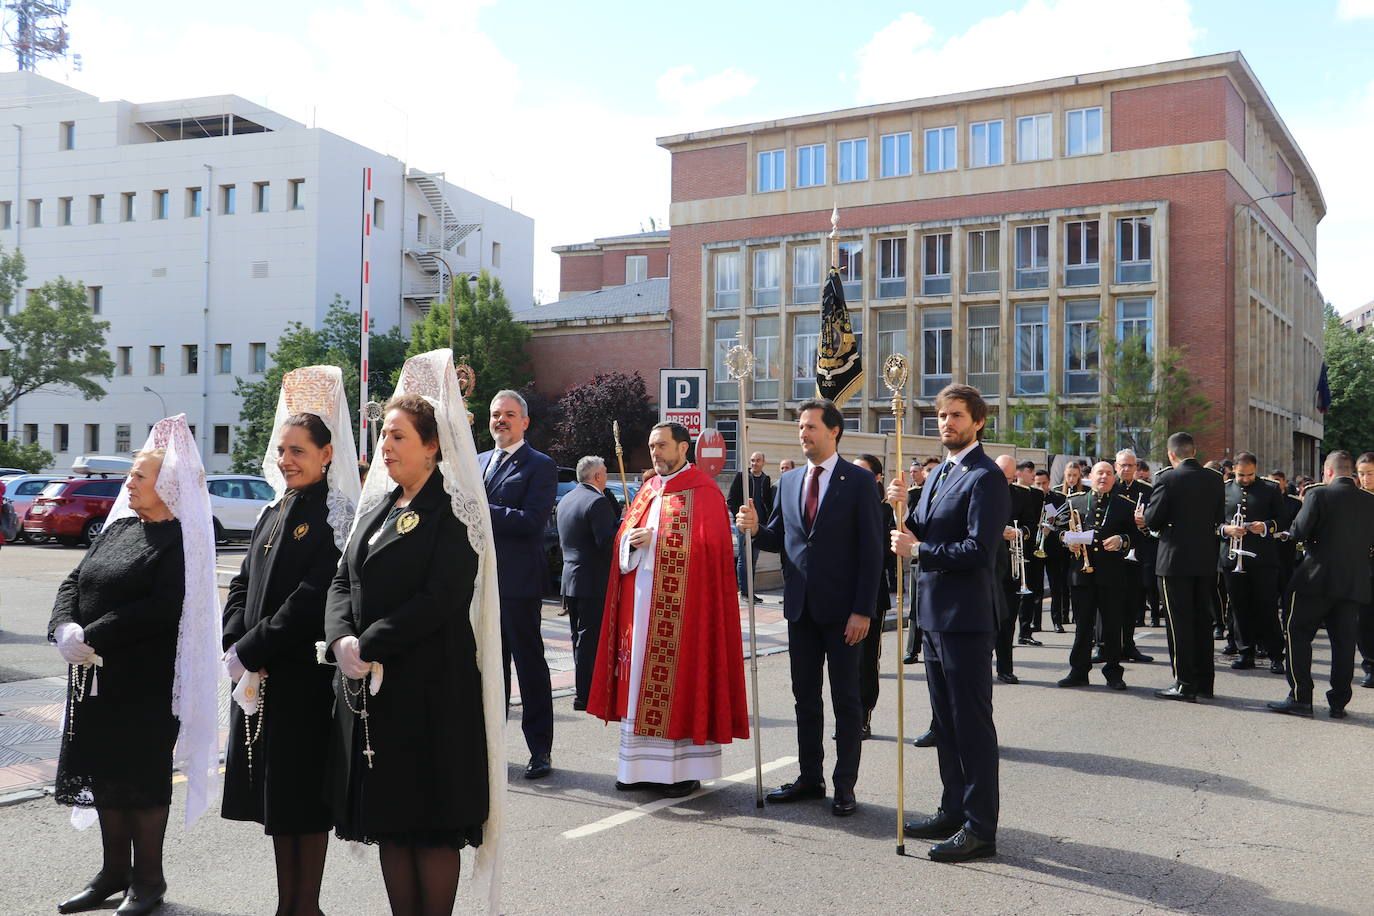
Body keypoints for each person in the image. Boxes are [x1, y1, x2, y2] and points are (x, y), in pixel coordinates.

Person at [324, 350, 505, 915]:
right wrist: (340, 640)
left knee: (430, 827)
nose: (386, 446)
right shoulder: (376, 509)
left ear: (432, 446)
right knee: (391, 822)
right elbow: (341, 580)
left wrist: (369, 642)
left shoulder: (452, 514)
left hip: (432, 694)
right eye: (383, 437)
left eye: (398, 436)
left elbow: (440, 600)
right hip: (376, 697)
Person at [48, 414, 220, 916]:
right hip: (95, 679)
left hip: (146, 684)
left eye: (139, 476)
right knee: (103, 776)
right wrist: (65, 627)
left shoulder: (179, 540)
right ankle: (112, 872)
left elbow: (160, 609)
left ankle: (148, 880)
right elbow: (73, 582)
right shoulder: (119, 527)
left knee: (141, 783)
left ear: (167, 484)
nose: (130, 482)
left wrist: (92, 634)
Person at [220, 367, 360, 916]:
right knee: (276, 800)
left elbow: (312, 597)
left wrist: (252, 649)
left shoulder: (334, 514)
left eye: (299, 451)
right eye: (282, 450)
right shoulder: (272, 508)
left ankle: (307, 905)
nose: (287, 460)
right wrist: (234, 642)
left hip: (304, 678)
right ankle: (288, 905)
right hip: (259, 676)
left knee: (304, 799)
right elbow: (242, 582)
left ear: (326, 454)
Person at [737, 399, 881, 818]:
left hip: (844, 614)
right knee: (805, 699)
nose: (803, 434)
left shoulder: (857, 482)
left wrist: (863, 611)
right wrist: (755, 529)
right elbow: (780, 538)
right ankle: (810, 777)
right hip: (800, 609)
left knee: (846, 701)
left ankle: (844, 785)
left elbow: (871, 553)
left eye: (811, 427)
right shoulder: (789, 481)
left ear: (834, 431)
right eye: (800, 427)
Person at [588, 422, 748, 797]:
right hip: (640, 608)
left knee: (681, 684)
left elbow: (712, 553)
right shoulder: (647, 489)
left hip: (683, 615)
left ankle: (681, 772)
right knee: (638, 683)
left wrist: (658, 540)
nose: (655, 453)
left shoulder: (704, 492)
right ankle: (638, 768)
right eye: (651, 446)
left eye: (662, 446)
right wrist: (630, 540)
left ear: (683, 448)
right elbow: (622, 540)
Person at [888, 384, 1008, 863]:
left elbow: (979, 551)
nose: (946, 423)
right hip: (933, 618)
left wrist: (917, 550)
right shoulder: (939, 474)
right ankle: (952, 808)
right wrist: (897, 503)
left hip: (967, 619)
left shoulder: (985, 477)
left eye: (956, 415)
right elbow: (915, 529)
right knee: (946, 725)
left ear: (977, 422)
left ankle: (981, 828)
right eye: (940, 415)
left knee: (972, 725)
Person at [478, 390, 558, 780]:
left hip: (518, 584)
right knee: (487, 670)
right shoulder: (475, 462)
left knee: (528, 667)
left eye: (509, 414)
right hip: (478, 586)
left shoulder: (540, 465)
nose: (501, 420)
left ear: (525, 422)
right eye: (495, 414)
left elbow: (530, 521)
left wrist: (479, 506)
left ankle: (539, 749)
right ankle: (489, 748)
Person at [1268, 451, 1374, 719]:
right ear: (1351, 472)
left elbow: (1299, 532)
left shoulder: (1318, 494)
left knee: (1296, 632)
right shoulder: (1369, 501)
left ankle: (1301, 697)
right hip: (1352, 582)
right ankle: (1338, 702)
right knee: (1344, 643)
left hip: (1314, 580)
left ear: (1328, 471)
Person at [1144, 431, 1225, 703]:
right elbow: (1217, 517)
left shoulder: (1166, 478)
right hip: (1205, 560)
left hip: (1174, 561)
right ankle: (1205, 681)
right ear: (1194, 451)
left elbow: (1154, 520)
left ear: (1171, 454)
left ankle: (1184, 682)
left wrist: (1144, 517)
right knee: (1203, 621)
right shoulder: (1215, 479)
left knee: (1179, 623)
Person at [1056, 461, 1137, 691]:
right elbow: (1059, 529)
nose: (1104, 477)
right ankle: (1078, 671)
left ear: (1114, 477)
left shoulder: (1124, 505)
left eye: (1108, 473)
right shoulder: (1075, 501)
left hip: (1112, 575)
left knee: (1112, 626)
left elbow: (1136, 536)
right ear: (1090, 476)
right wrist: (1066, 540)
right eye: (1099, 473)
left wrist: (1122, 540)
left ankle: (1113, 673)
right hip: (1082, 574)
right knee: (1083, 626)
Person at [557, 456, 619, 711]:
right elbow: (606, 543)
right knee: (589, 642)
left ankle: (583, 689)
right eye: (605, 472)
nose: (607, 476)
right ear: (597, 477)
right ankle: (585, 694)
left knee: (579, 639)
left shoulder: (567, 499)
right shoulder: (597, 501)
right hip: (593, 580)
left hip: (570, 579)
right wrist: (625, 529)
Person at [1218, 452, 1287, 675]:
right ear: (1233, 471)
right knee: (1239, 608)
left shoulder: (1270, 488)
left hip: (1262, 559)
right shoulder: (1224, 489)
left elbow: (1284, 519)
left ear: (1256, 470)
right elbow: (1213, 521)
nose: (1245, 479)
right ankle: (1245, 652)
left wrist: (1266, 526)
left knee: (1266, 607)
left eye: (1249, 475)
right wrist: (1226, 530)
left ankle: (1276, 654)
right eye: (1240, 475)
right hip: (1232, 557)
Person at [852, 453, 894, 740]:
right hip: (842, 594)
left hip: (871, 597)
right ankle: (847, 715)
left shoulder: (886, 510)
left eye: (864, 473)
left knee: (866, 660)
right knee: (845, 663)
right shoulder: (843, 503)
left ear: (877, 478)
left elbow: (886, 556)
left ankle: (864, 716)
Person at [993, 455, 1040, 681]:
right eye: (1001, 475)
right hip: (984, 566)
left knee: (1007, 619)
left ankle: (1005, 668)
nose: (1005, 480)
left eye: (1009, 477)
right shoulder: (980, 491)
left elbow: (1031, 525)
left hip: (1010, 566)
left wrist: (1017, 532)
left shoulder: (1022, 495)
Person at [1112, 449, 1154, 663]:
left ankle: (1128, 645)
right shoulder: (1110, 487)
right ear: (1116, 467)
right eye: (1122, 465)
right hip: (1111, 554)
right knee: (1108, 603)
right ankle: (1104, 646)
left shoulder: (1147, 490)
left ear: (1136, 468)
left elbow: (1155, 528)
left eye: (1130, 465)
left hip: (1137, 553)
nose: (1126, 469)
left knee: (1131, 602)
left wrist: (1144, 524)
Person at [727, 451, 772, 601]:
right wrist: (739, 516)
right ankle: (745, 592)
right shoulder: (742, 477)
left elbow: (768, 503)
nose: (754, 463)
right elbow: (731, 500)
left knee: (753, 559)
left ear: (763, 462)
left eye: (758, 460)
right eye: (752, 460)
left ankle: (750, 591)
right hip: (744, 525)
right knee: (744, 558)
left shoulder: (766, 479)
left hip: (759, 526)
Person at [1034, 469, 1069, 634]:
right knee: (1036, 587)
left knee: (1056, 586)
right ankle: (1036, 622)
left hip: (1054, 548)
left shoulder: (1058, 499)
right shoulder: (1030, 498)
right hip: (1036, 547)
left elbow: (1065, 522)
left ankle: (1057, 621)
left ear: (1049, 482)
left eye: (1044, 483)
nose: (1041, 487)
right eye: (1038, 483)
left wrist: (1052, 528)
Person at [903, 461, 929, 665]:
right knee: (915, 606)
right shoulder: (914, 494)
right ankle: (912, 649)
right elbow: (910, 523)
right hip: (918, 556)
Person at [1356, 453, 1374, 689]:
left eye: (1370, 473)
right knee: (1364, 620)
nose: (1366, 478)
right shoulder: (1355, 499)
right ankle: (1370, 665)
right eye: (1361, 474)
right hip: (1361, 567)